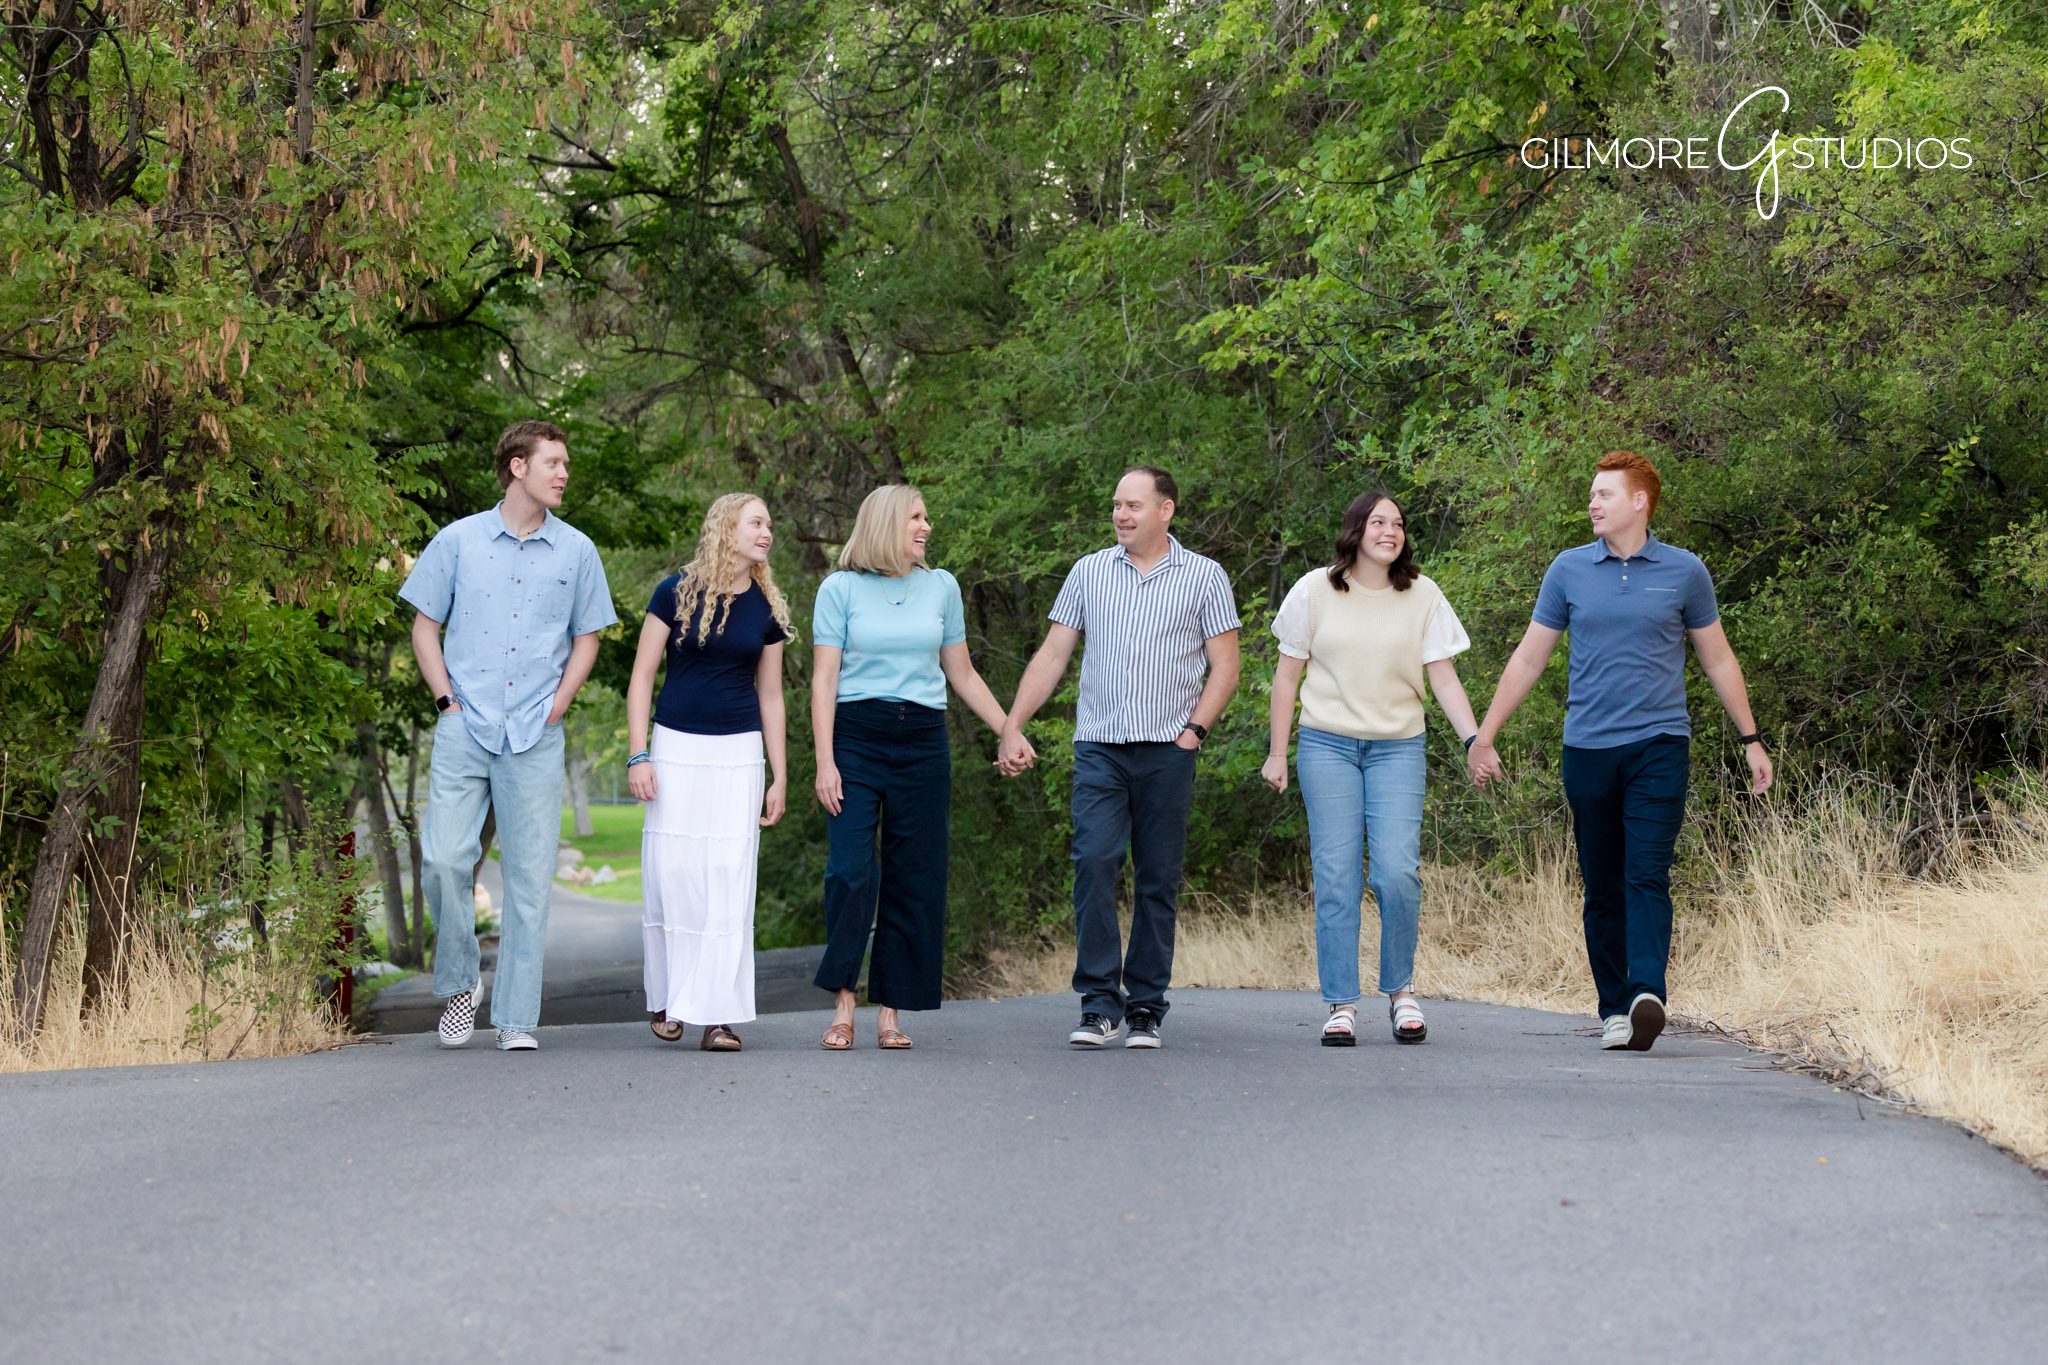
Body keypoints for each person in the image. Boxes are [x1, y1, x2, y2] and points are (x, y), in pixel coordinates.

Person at [1467, 451, 1773, 1052]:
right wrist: (1486, 732)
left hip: (1660, 744)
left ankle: (1645, 994)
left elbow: (1717, 657)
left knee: (1647, 872)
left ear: (1640, 501)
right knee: (1603, 882)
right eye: (1591, 494)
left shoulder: (1685, 572)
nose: (1592, 503)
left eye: (1604, 494)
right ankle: (1614, 1006)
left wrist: (1751, 738)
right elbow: (1531, 656)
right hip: (1587, 749)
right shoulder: (1568, 570)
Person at [997, 467, 1241, 1049]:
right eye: (1115, 506)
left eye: (1133, 505)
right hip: (1101, 747)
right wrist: (1012, 725)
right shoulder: (1089, 572)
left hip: (1168, 750)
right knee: (1095, 863)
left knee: (1157, 878)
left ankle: (1146, 1009)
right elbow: (1055, 653)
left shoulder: (1205, 577)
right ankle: (1100, 1004)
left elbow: (1225, 667)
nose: (1121, 515)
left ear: (1166, 510)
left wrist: (1194, 734)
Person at [401, 419, 618, 1052]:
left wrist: (558, 705)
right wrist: (446, 703)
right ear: (518, 467)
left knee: (529, 880)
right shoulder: (459, 542)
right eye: (552, 462)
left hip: (535, 733)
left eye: (566, 464)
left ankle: (517, 1017)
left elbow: (589, 637)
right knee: (444, 858)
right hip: (464, 726)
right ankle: (461, 983)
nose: (563, 473)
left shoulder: (577, 551)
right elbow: (424, 627)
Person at [1261, 491, 1482, 1046]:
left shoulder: (1423, 595)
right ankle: (1341, 1003)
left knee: (1395, 873)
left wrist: (1475, 739)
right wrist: (1275, 751)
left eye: (1399, 523)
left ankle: (1401, 993)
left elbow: (1444, 678)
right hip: (1326, 745)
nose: (1391, 531)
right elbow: (1287, 677)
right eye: (1379, 522)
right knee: (1336, 875)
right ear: (1356, 530)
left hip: (1397, 748)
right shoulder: (1315, 590)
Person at [810, 484, 1015, 1050]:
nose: (926, 527)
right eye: (915, 519)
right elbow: (825, 680)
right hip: (855, 738)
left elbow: (963, 673)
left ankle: (891, 1010)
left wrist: (1009, 728)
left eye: (926, 518)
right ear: (884, 525)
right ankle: (844, 1002)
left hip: (924, 740)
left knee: (914, 876)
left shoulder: (942, 587)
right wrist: (825, 761)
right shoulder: (840, 588)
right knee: (851, 872)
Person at [624, 494, 791, 1053]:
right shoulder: (674, 593)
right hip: (674, 747)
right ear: (727, 529)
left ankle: (718, 1015)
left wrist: (780, 775)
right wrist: (638, 753)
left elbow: (772, 696)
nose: (766, 532)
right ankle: (668, 995)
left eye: (768, 524)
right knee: (676, 874)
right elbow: (642, 676)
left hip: (739, 752)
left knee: (726, 875)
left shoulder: (765, 610)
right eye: (756, 522)